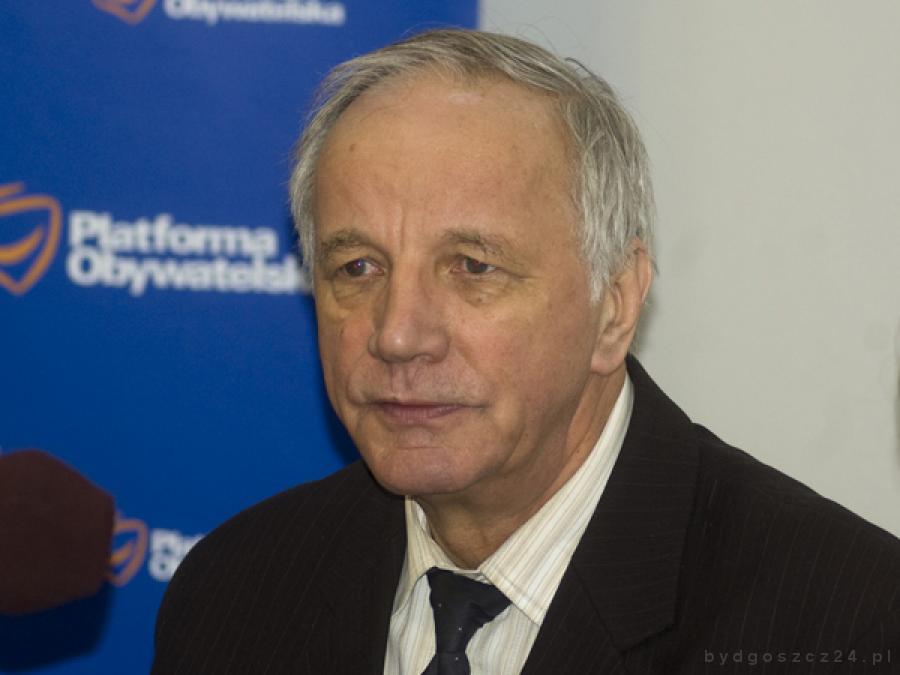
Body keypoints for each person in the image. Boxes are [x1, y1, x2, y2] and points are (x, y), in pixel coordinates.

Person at [152, 29, 900, 674]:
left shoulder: (845, 622)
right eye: (358, 268)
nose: (398, 334)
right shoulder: (234, 593)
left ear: (614, 305)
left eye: (473, 267)